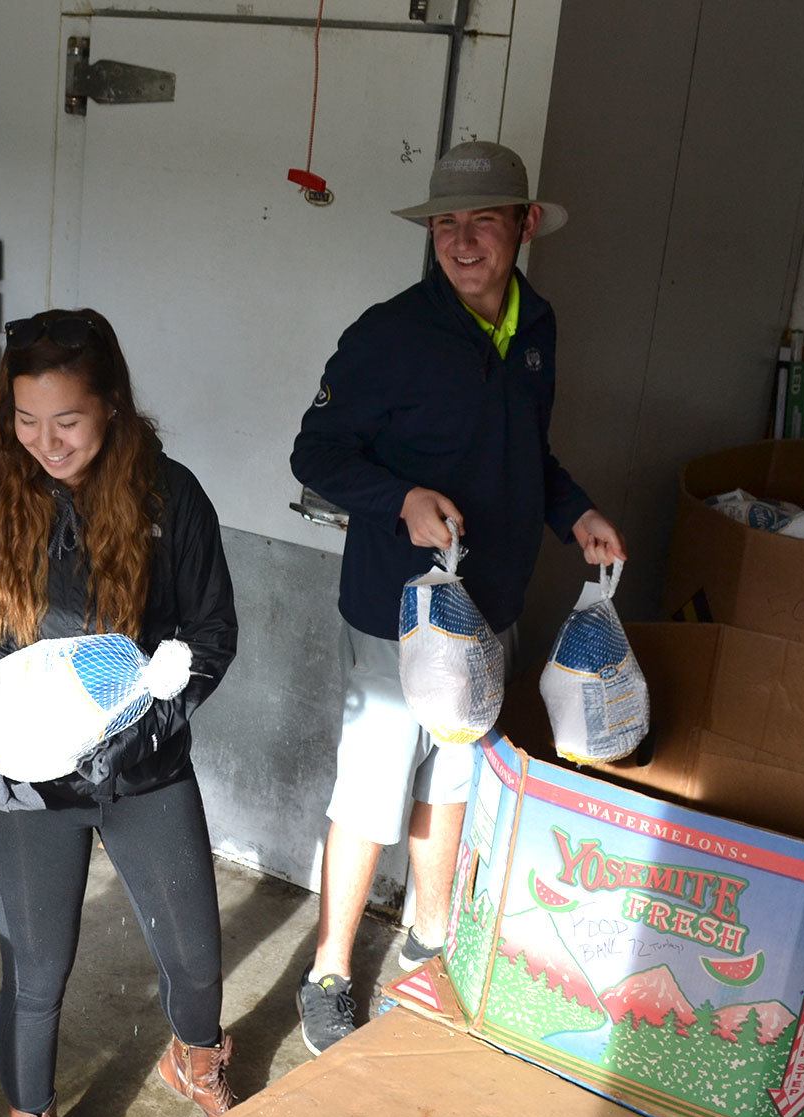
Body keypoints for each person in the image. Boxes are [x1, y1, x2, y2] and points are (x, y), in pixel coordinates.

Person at [287, 141, 625, 1054]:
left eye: (483, 221)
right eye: (446, 223)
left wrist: (576, 513)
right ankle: (328, 972)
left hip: (491, 603)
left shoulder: (536, 326)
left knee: (455, 774)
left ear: (525, 225)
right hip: (396, 613)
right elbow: (314, 452)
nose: (463, 241)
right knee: (372, 788)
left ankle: (428, 943)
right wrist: (399, 497)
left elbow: (528, 453)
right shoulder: (389, 334)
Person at [0, 308, 240, 1117]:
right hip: (25, 784)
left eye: (67, 420)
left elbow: (210, 632)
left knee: (197, 958)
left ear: (111, 407)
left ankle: (195, 1057)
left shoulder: (169, 496)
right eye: (26, 420)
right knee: (37, 972)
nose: (46, 441)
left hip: (141, 763)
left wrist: (145, 727)